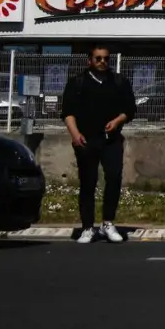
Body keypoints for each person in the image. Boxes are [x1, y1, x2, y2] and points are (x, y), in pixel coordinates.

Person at [61, 43, 136, 243]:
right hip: (86, 140)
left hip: (111, 140)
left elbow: (130, 109)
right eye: (98, 58)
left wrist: (118, 120)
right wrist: (75, 134)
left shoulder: (119, 82)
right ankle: (87, 227)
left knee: (113, 178)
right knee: (88, 182)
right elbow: (67, 112)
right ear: (89, 60)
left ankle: (108, 223)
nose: (102, 62)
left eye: (106, 59)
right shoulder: (77, 83)